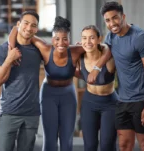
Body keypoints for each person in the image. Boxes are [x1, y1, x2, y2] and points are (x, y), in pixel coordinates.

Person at [8, 16, 111, 151]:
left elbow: (105, 48)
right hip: (48, 95)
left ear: (69, 39)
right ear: (52, 39)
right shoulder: (45, 48)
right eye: (57, 39)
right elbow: (17, 29)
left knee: (66, 138)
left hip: (68, 94)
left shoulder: (75, 51)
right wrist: (11, 48)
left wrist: (97, 68)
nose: (61, 43)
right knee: (50, 139)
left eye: (65, 39)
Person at [100, 1, 144, 151]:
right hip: (122, 100)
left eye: (115, 18)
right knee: (124, 145)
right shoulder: (110, 38)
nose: (112, 23)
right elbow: (105, 60)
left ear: (123, 16)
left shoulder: (141, 38)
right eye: (107, 20)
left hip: (141, 99)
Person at [0, 11, 42, 151]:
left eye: (33, 25)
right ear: (18, 24)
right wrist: (10, 58)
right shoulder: (2, 50)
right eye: (26, 23)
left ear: (36, 29)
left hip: (31, 113)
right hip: (9, 112)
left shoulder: (37, 50)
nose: (29, 28)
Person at [75, 25, 118, 151]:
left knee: (107, 146)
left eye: (92, 38)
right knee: (90, 146)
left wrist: (97, 68)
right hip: (89, 102)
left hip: (110, 103)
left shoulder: (108, 58)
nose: (87, 42)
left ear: (99, 39)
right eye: (84, 38)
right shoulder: (79, 57)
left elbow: (109, 48)